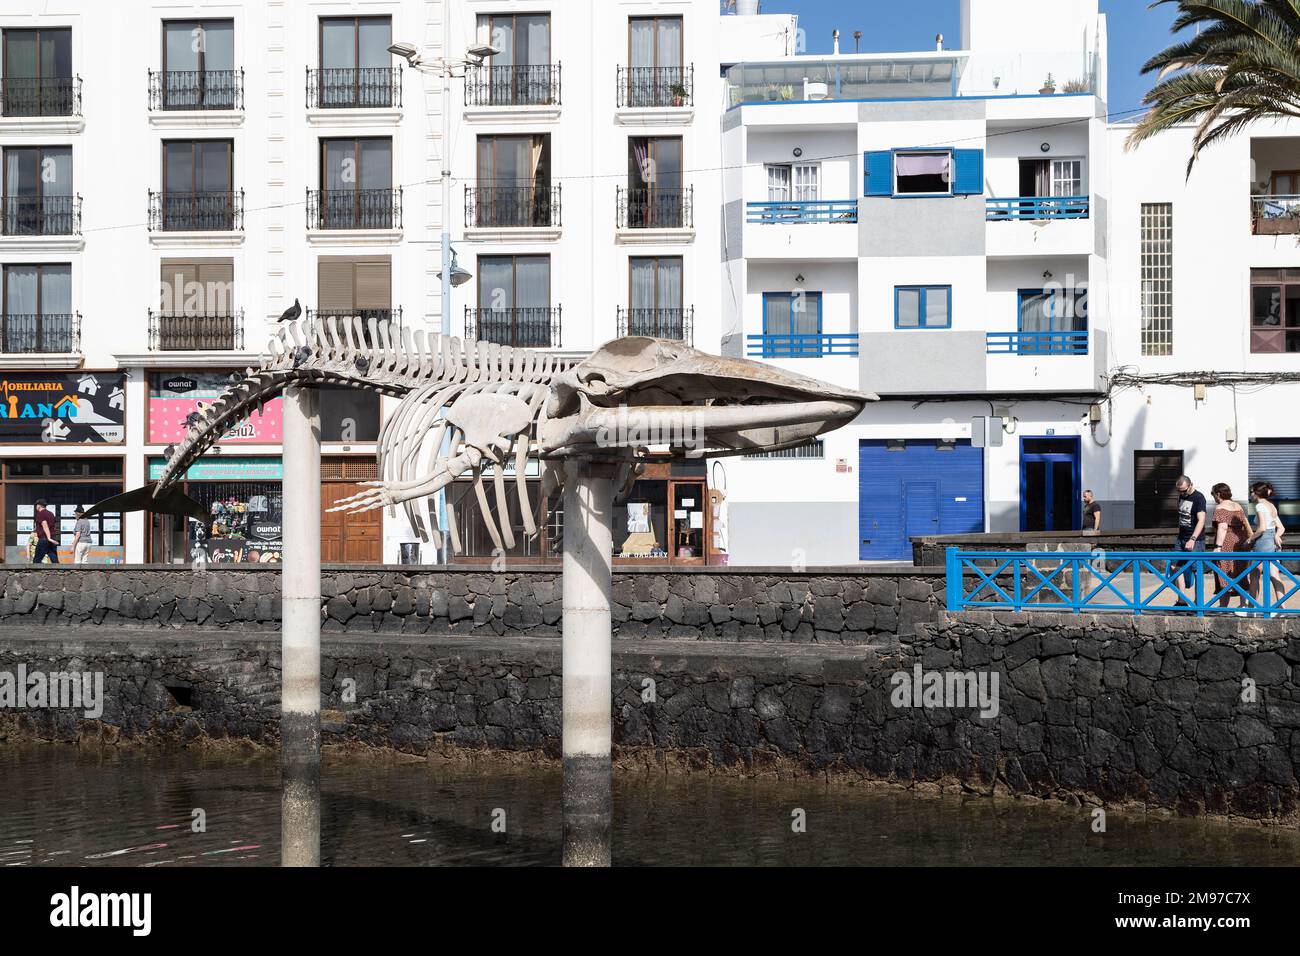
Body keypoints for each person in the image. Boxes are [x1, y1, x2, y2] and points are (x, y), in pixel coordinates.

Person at [1209, 483, 1249, 609]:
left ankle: (1223, 606)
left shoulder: (1220, 508)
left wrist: (1218, 547)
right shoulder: (1238, 506)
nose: (1214, 498)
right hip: (1241, 542)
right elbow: (1245, 523)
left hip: (1227, 542)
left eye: (1213, 494)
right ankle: (1243, 605)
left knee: (1223, 573)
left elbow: (1223, 527)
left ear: (1218, 494)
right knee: (1241, 572)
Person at [1246, 481, 1286, 607]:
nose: (1250, 494)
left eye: (1251, 492)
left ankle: (1251, 607)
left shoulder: (1259, 506)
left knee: (1254, 575)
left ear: (1257, 493)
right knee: (1274, 575)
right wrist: (1276, 535)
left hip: (1263, 542)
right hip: (1273, 543)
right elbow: (1281, 527)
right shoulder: (1271, 506)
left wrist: (1250, 539)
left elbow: (1262, 528)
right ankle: (1281, 607)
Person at [1170, 475, 1207, 601]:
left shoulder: (1199, 498)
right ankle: (1182, 600)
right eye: (1179, 491)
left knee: (1197, 570)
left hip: (1195, 540)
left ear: (1191, 485)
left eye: (1184, 490)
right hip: (1181, 538)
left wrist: (1193, 539)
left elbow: (1201, 521)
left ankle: (1198, 602)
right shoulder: (1182, 495)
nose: (1182, 493)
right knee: (1175, 566)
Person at [32, 499, 58, 564]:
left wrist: (48, 538)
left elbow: (44, 524)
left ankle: (34, 573)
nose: (36, 507)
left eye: (36, 505)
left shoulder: (41, 514)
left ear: (39, 506)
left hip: (44, 539)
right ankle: (59, 572)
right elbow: (53, 526)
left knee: (37, 560)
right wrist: (51, 538)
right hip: (52, 538)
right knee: (54, 558)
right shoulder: (51, 514)